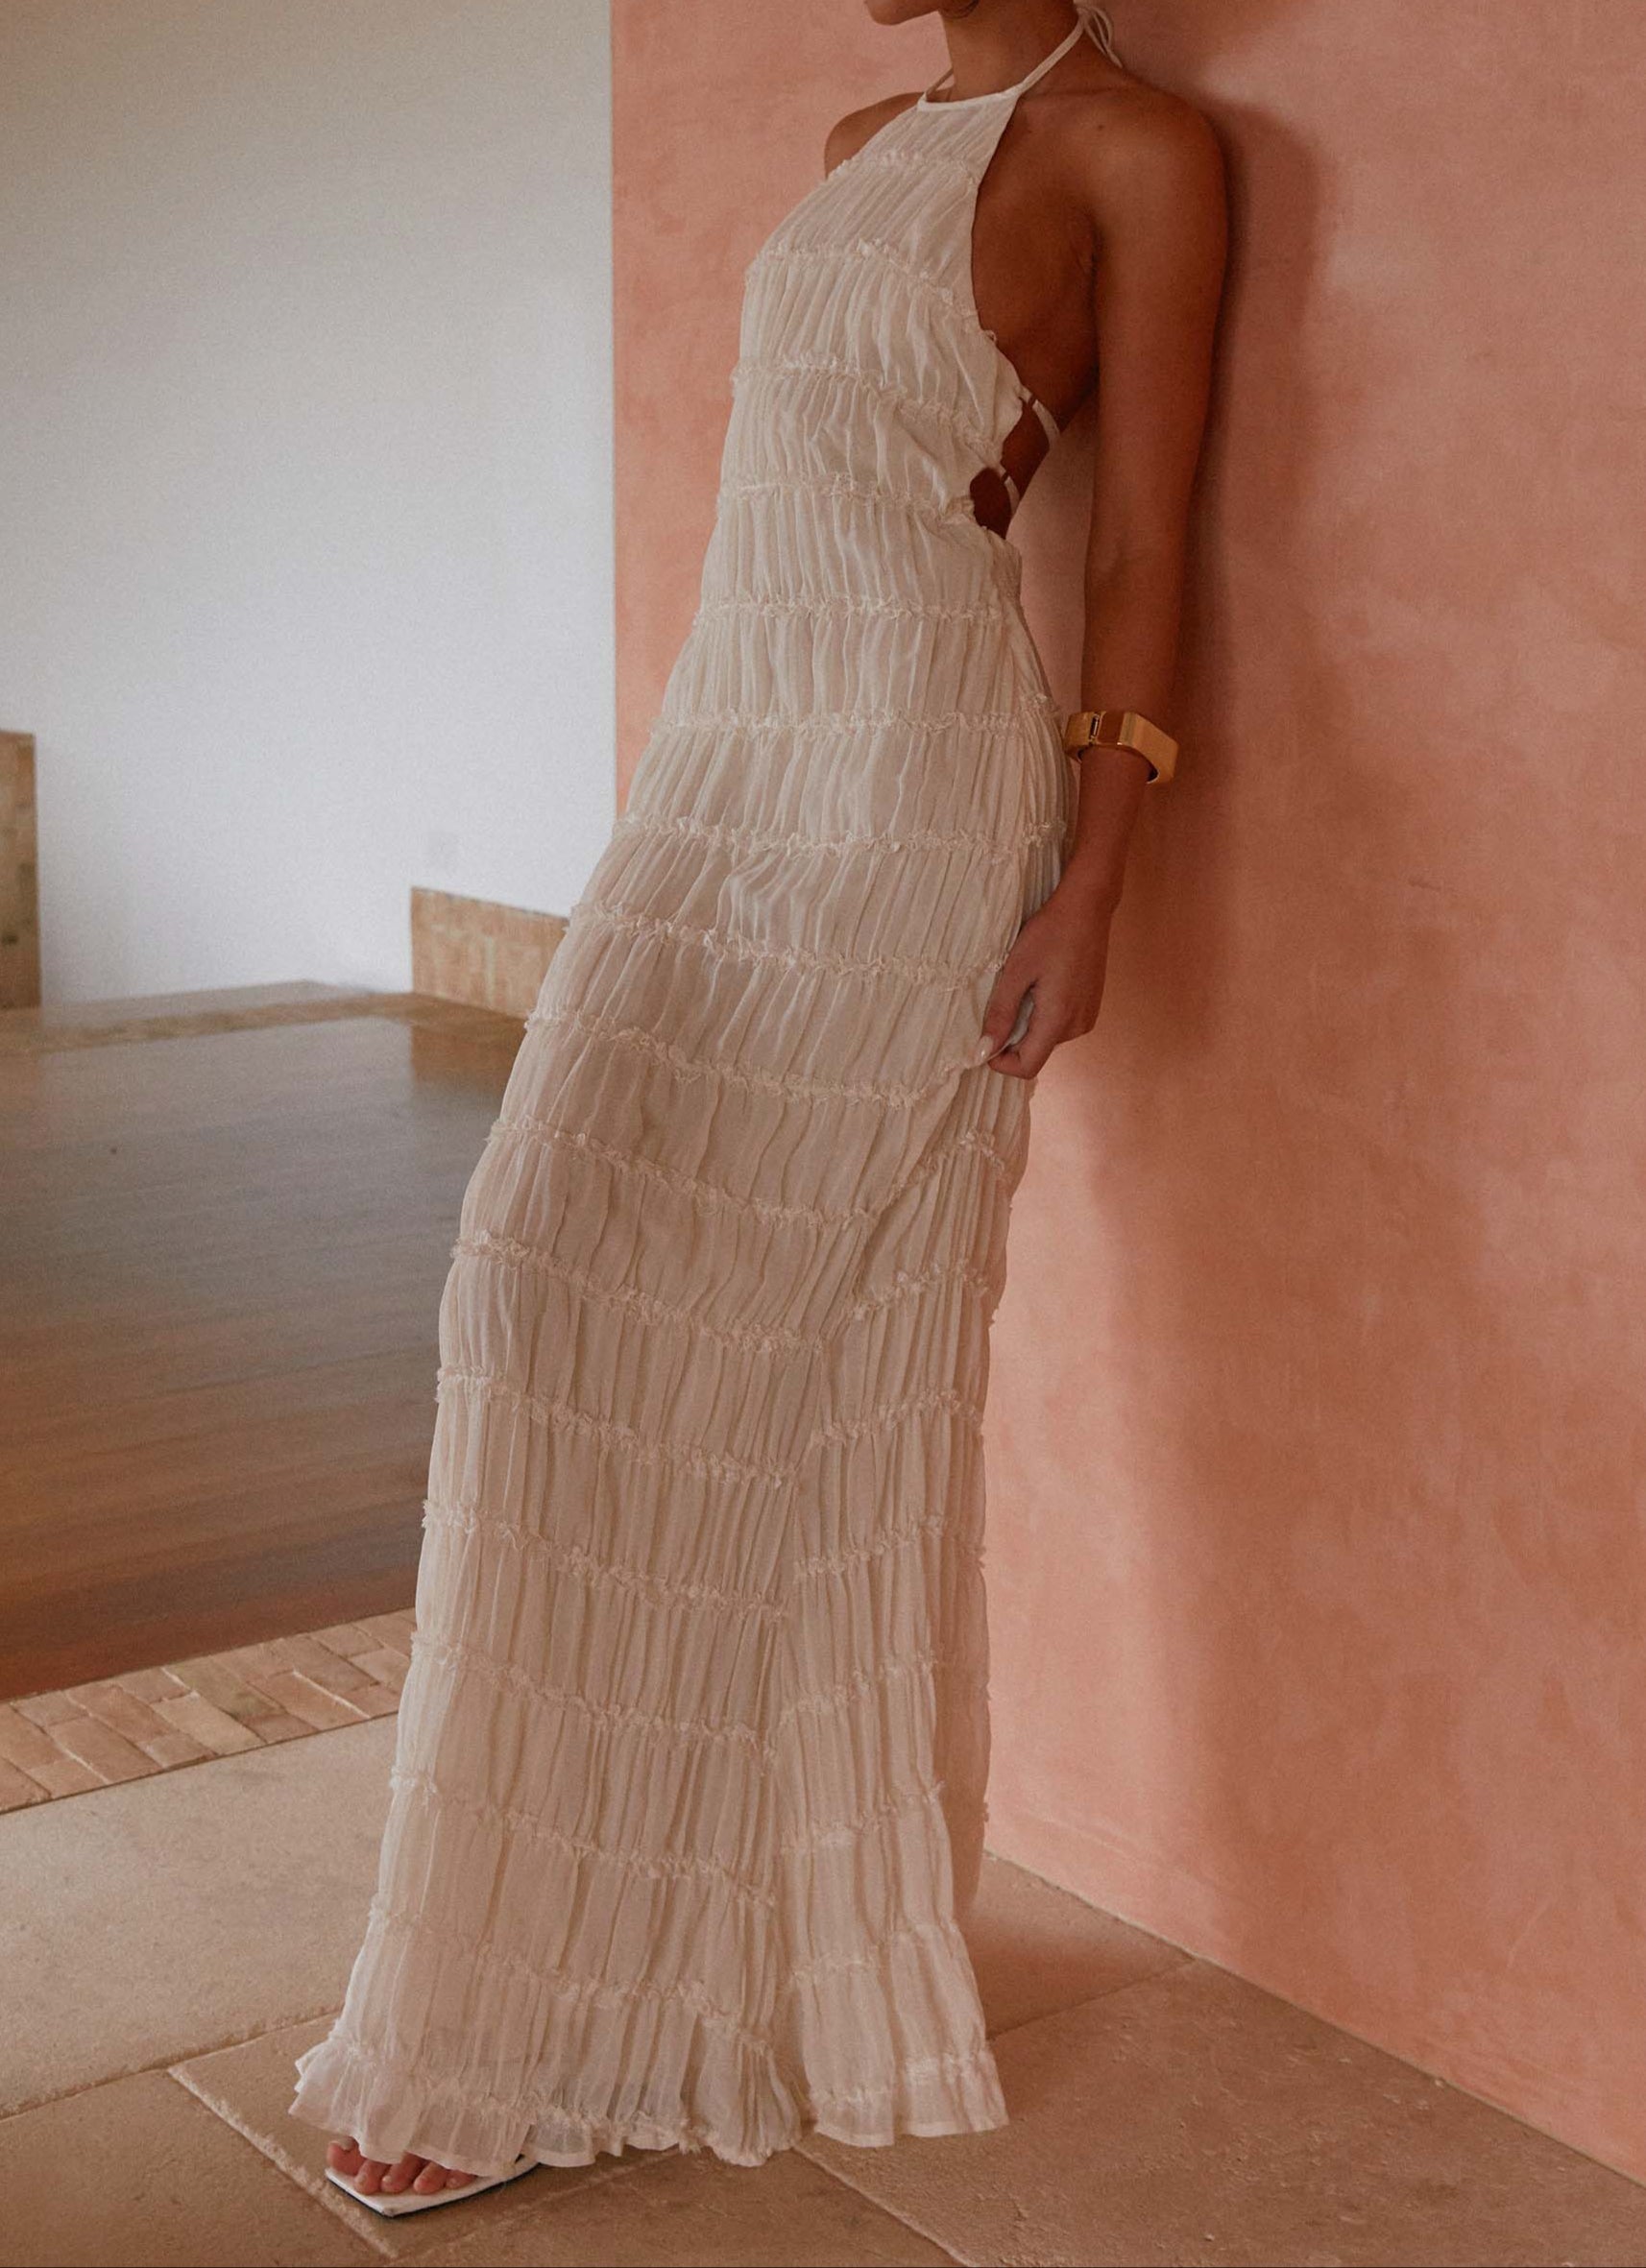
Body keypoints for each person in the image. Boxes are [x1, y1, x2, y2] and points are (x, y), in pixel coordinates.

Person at [289, 0, 1226, 2210]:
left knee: (787, 1374)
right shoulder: (855, 133)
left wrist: (1094, 879)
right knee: (531, 1288)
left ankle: (560, 2024)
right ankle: (595, 1978)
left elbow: (1135, 547)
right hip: (726, 763)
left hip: (905, 786)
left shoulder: (1137, 152)